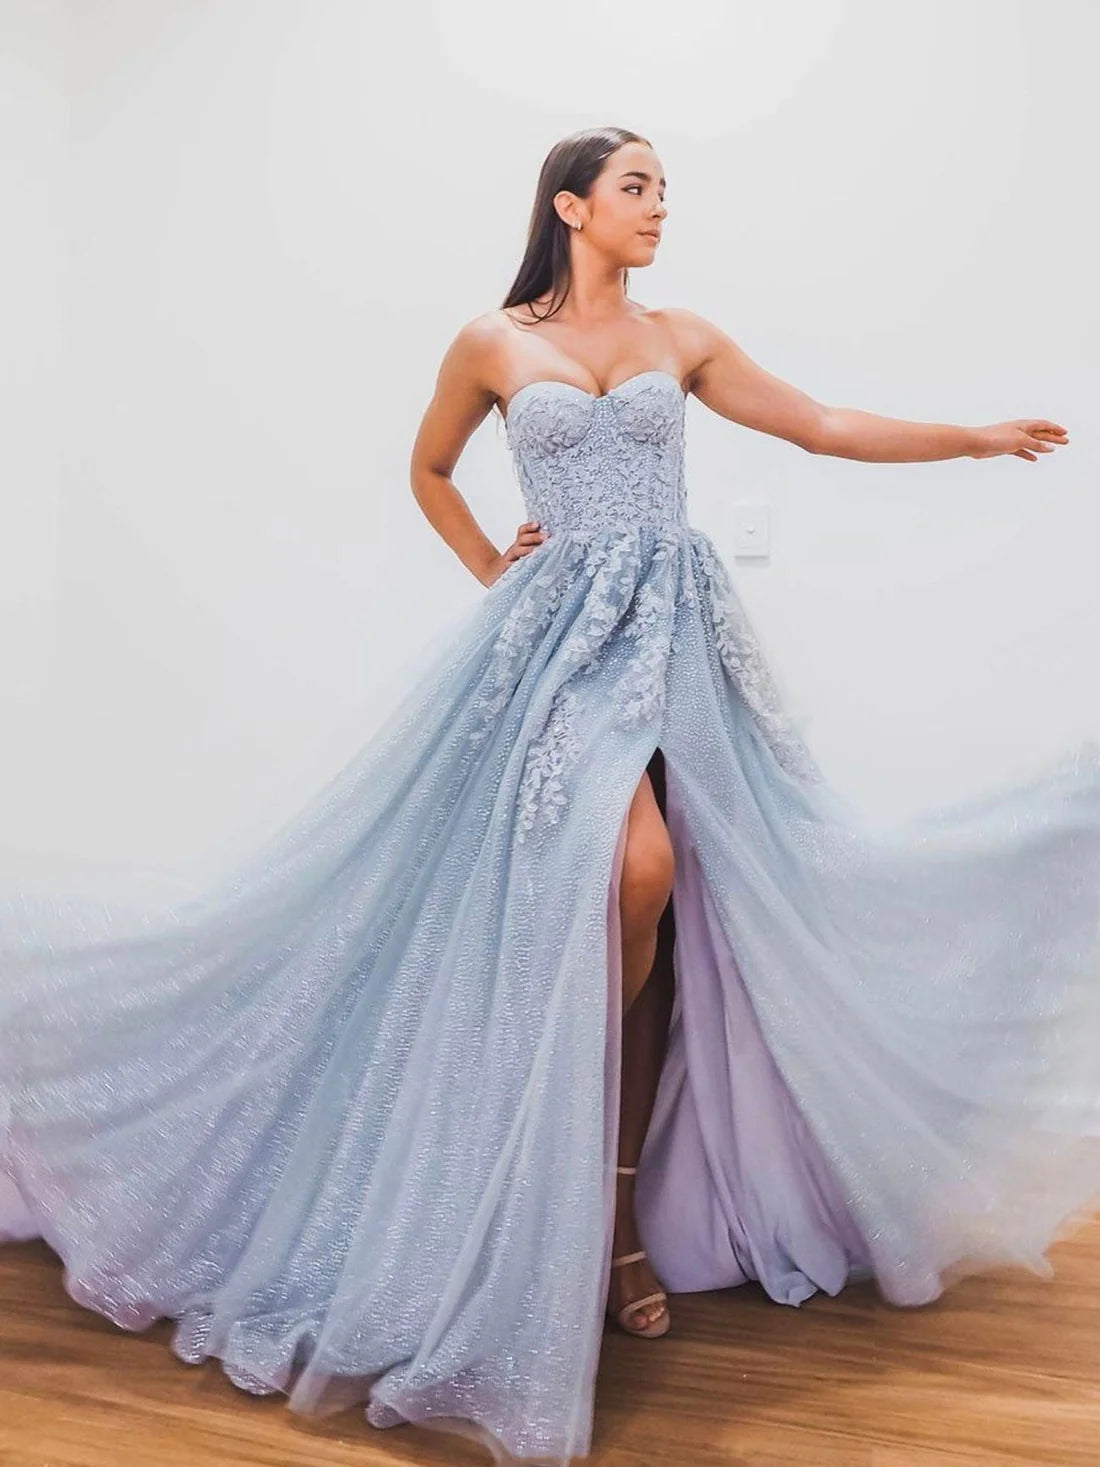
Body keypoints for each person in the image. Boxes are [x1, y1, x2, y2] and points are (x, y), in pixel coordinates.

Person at [1, 123, 1098, 1467]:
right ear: (571, 206)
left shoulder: (681, 337)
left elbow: (817, 424)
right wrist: (493, 570)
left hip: (676, 638)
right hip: (557, 649)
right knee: (625, 878)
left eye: (665, 191)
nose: (660, 208)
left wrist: (973, 439)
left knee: (677, 897)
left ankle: (614, 1211)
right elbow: (427, 468)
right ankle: (558, 1200)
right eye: (638, 188)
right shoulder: (491, 342)